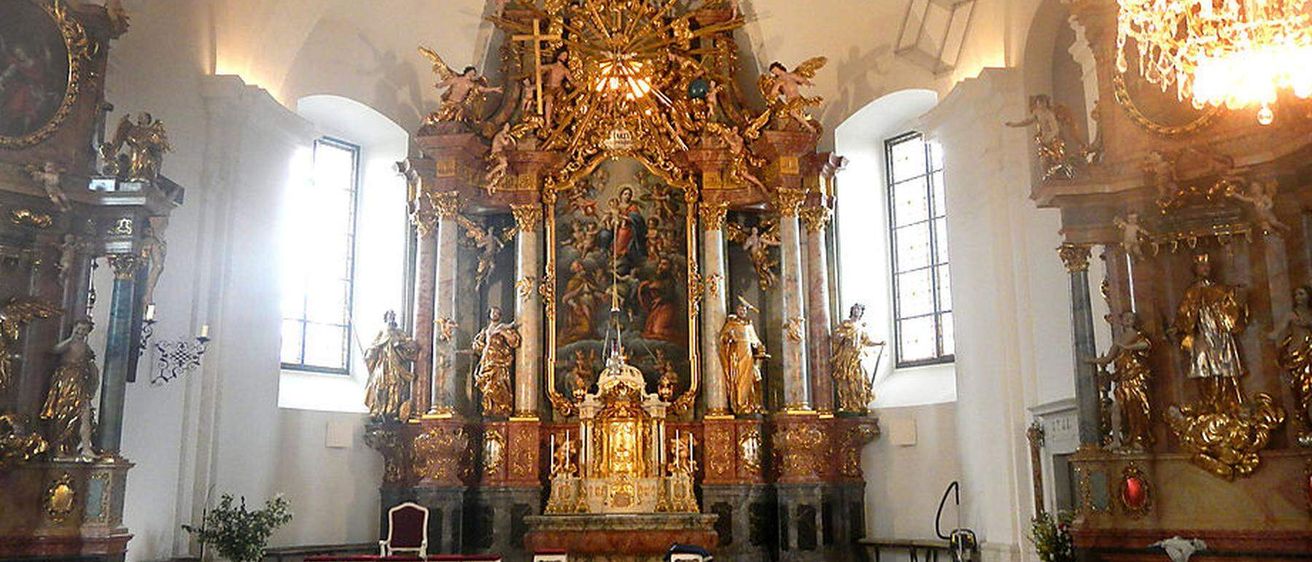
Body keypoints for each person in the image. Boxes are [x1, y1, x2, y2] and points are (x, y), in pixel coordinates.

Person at [1169, 254, 1248, 414]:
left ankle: (1228, 403)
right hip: (1201, 335)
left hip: (1220, 334)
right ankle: (1209, 402)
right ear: (1195, 269)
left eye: (1207, 265)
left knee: (1225, 368)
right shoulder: (1191, 292)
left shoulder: (1220, 289)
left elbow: (1232, 308)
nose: (1205, 268)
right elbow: (1184, 313)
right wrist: (1177, 327)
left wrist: (1238, 300)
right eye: (1201, 265)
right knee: (1204, 368)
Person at [1091, 312, 1154, 450]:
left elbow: (1146, 345)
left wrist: (1129, 347)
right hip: (1123, 379)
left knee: (1137, 409)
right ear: (1122, 321)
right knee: (1117, 408)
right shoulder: (1119, 339)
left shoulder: (1138, 335)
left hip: (1136, 378)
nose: (1128, 320)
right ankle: (1116, 440)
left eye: (1131, 318)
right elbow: (1107, 358)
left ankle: (1139, 438)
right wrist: (1090, 361)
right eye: (1126, 318)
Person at [40, 319, 98, 459]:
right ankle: (59, 448)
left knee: (84, 414)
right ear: (74, 328)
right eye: (78, 329)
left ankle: (86, 447)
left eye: (84, 330)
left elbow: (90, 364)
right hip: (66, 380)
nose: (80, 332)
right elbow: (55, 350)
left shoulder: (86, 347)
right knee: (63, 414)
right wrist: (71, 339)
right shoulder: (68, 343)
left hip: (79, 382)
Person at [1271, 286, 1312, 446]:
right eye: (1296, 293)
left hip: (1310, 355)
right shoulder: (1291, 315)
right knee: (1301, 392)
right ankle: (1305, 427)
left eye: (1301, 293)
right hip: (1296, 357)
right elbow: (1277, 332)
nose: (1298, 297)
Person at [363, 311, 420, 420]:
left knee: (396, 386)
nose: (391, 319)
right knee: (379, 385)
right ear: (385, 318)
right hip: (383, 363)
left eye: (393, 317)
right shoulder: (381, 331)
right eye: (389, 317)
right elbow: (373, 345)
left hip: (396, 365)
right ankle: (378, 409)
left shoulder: (399, 333)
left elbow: (411, 345)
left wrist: (399, 343)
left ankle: (392, 410)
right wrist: (370, 352)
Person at [832, 304, 882, 414]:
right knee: (846, 377)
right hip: (846, 355)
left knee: (859, 377)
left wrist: (879, 343)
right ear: (852, 311)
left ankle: (860, 403)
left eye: (859, 309)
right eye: (855, 309)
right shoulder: (846, 324)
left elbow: (867, 341)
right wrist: (843, 336)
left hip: (857, 356)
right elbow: (836, 337)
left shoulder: (861, 327)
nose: (857, 311)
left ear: (861, 312)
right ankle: (846, 403)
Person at [719, 298, 766, 415]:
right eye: (740, 309)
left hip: (748, 354)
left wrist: (760, 348)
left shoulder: (748, 325)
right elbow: (723, 338)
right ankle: (740, 404)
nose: (742, 312)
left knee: (751, 379)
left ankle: (750, 404)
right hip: (737, 354)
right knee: (739, 379)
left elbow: (755, 340)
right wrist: (729, 338)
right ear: (736, 310)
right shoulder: (731, 324)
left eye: (744, 310)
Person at [472, 307, 521, 417]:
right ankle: (489, 407)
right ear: (489, 314)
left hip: (499, 361)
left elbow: (514, 341)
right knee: (487, 386)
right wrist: (478, 345)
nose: (495, 314)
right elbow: (477, 346)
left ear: (500, 315)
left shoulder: (503, 328)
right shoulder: (485, 330)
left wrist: (501, 332)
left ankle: (502, 408)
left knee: (500, 384)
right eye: (493, 312)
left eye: (497, 313)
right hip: (486, 360)